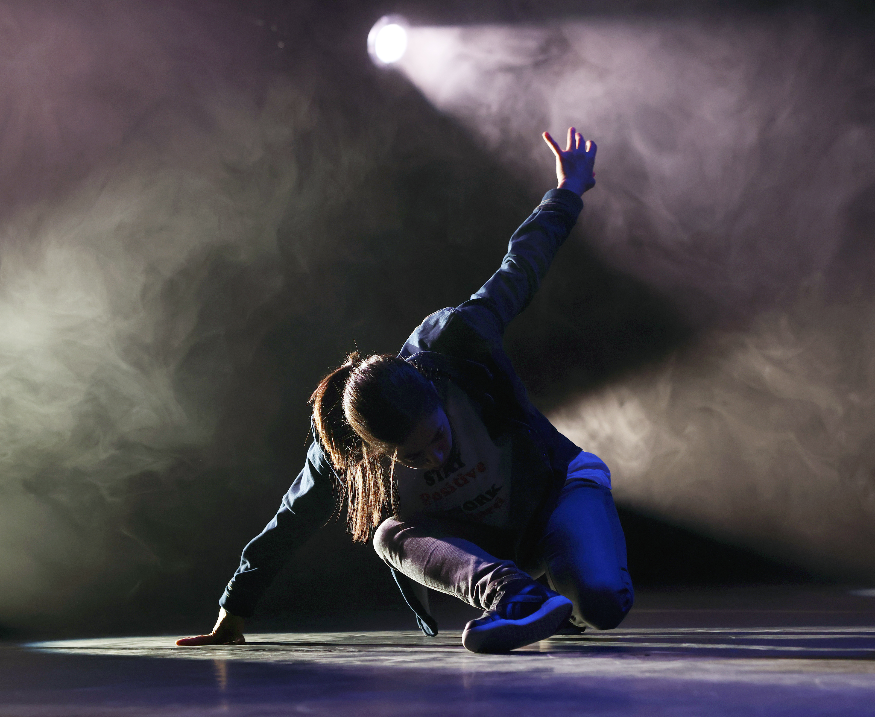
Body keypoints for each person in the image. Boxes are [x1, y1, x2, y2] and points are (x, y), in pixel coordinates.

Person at [177, 127, 633, 653]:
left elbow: (521, 265)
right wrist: (233, 610)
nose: (436, 457)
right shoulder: (344, 447)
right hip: (497, 551)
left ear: (435, 395)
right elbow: (292, 519)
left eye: (438, 435)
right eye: (412, 456)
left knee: (603, 604)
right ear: (376, 447)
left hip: (555, 494)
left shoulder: (456, 341)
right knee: (388, 533)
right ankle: (518, 598)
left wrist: (568, 190)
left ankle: (562, 589)